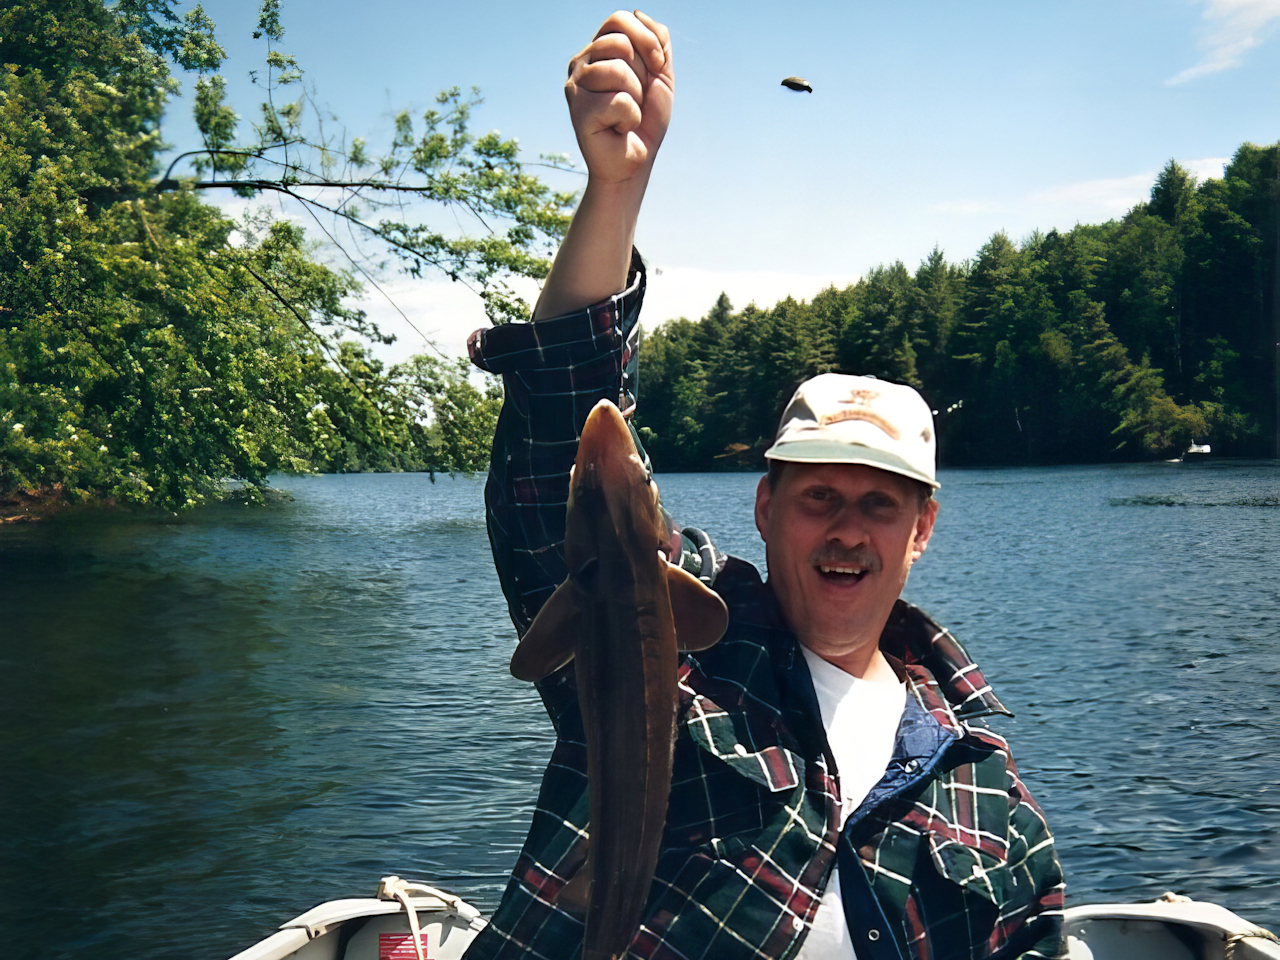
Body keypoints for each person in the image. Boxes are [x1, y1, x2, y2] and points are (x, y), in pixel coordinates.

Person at [463, 11, 1066, 960]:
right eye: (818, 497)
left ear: (922, 530)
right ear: (764, 509)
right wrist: (617, 189)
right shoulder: (686, 638)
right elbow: (553, 454)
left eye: (880, 503)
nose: (847, 531)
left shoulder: (990, 796)